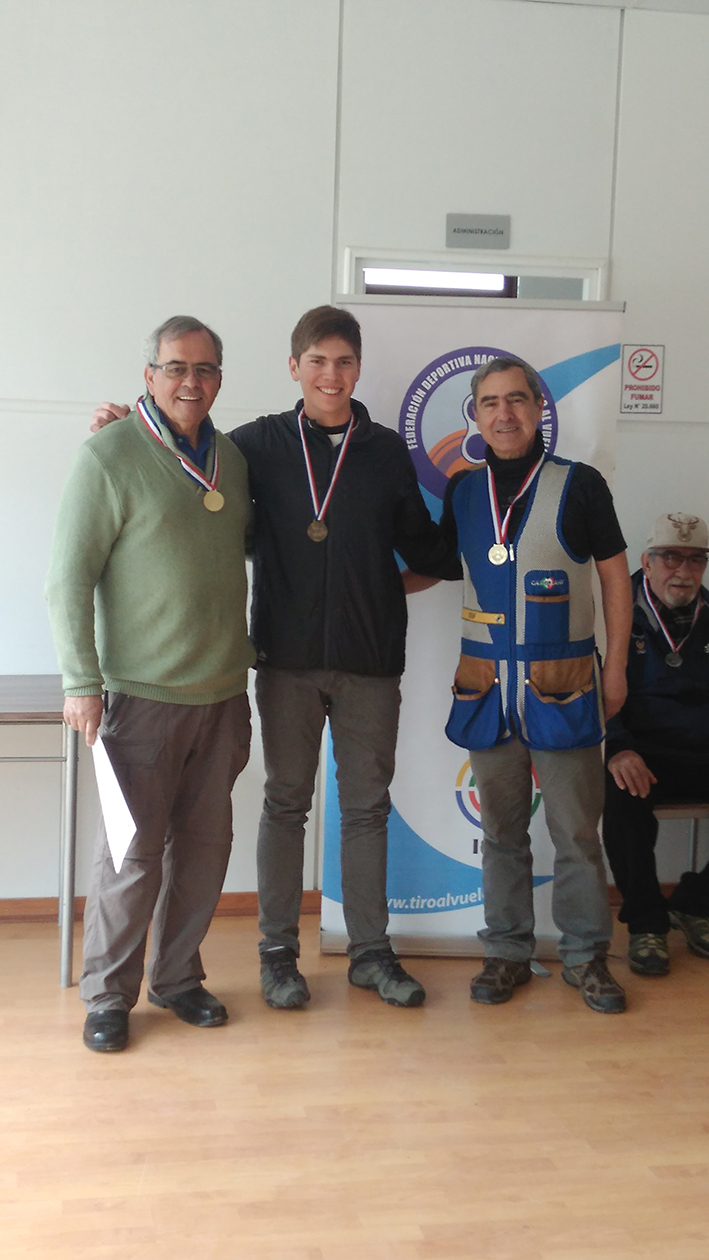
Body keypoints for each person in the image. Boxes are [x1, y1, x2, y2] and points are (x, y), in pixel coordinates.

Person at [90, 305, 458, 1011]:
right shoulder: (254, 445)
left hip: (370, 662)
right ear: (294, 367)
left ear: (358, 368)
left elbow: (427, 550)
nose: (331, 375)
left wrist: (433, 538)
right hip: (284, 661)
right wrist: (122, 431)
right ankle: (277, 955)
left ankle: (370, 952)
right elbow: (179, 461)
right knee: (286, 805)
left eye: (343, 362)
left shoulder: (384, 451)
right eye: (317, 361)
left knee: (366, 808)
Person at [47, 316, 254, 1052]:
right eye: (175, 368)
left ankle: (177, 979)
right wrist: (82, 681)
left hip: (222, 696)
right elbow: (68, 578)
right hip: (139, 699)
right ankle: (108, 997)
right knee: (130, 858)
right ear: (149, 376)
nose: (190, 382)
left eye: (204, 369)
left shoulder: (232, 459)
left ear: (219, 379)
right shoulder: (108, 454)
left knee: (202, 852)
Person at [409, 356, 632, 1013]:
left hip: (562, 688)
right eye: (489, 402)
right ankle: (506, 951)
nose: (503, 414)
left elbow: (615, 578)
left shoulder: (580, 485)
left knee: (576, 835)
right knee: (501, 833)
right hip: (486, 692)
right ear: (475, 416)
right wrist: (361, 582)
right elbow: (440, 565)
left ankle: (586, 956)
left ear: (538, 408)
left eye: (515, 400)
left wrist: (616, 668)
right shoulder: (462, 491)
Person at [603, 513, 709, 976]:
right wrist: (617, 748)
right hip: (641, 752)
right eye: (671, 557)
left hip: (701, 752)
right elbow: (593, 687)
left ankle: (695, 902)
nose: (683, 571)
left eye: (696, 560)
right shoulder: (613, 613)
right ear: (646, 562)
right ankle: (647, 923)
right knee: (621, 792)